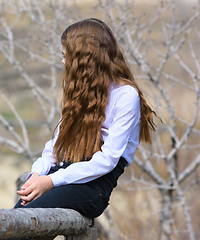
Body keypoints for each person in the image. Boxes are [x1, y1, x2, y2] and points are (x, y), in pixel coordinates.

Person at [14, 18, 157, 222]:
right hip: (62, 175)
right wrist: (37, 175)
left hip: (93, 187)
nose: (63, 61)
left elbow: (107, 161)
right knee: (13, 222)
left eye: (66, 56)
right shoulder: (81, 93)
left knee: (25, 222)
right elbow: (55, 146)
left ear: (85, 57)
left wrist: (51, 181)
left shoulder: (126, 96)